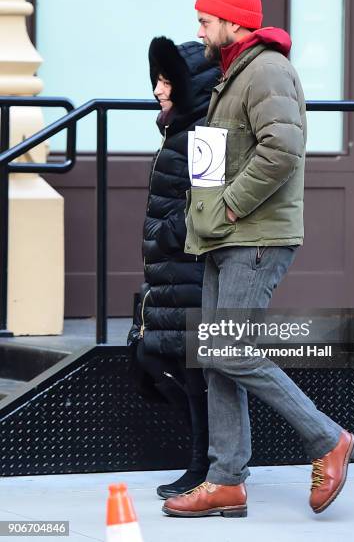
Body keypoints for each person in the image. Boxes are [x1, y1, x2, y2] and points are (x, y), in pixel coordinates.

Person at [162, 0, 354, 518]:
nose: (199, 29)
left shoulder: (267, 69)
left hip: (254, 236)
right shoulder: (236, 71)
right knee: (216, 355)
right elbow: (228, 150)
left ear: (233, 22)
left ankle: (327, 438)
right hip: (225, 237)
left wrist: (227, 206)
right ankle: (226, 480)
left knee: (229, 349)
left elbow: (282, 151)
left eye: (205, 20)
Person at [127, 36, 220, 498]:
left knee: (194, 372)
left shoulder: (203, 132)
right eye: (157, 80)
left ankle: (206, 464)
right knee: (154, 357)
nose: (158, 90)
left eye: (167, 81)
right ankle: (208, 459)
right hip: (170, 272)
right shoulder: (178, 127)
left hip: (193, 271)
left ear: (188, 85)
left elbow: (208, 206)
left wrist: (166, 235)